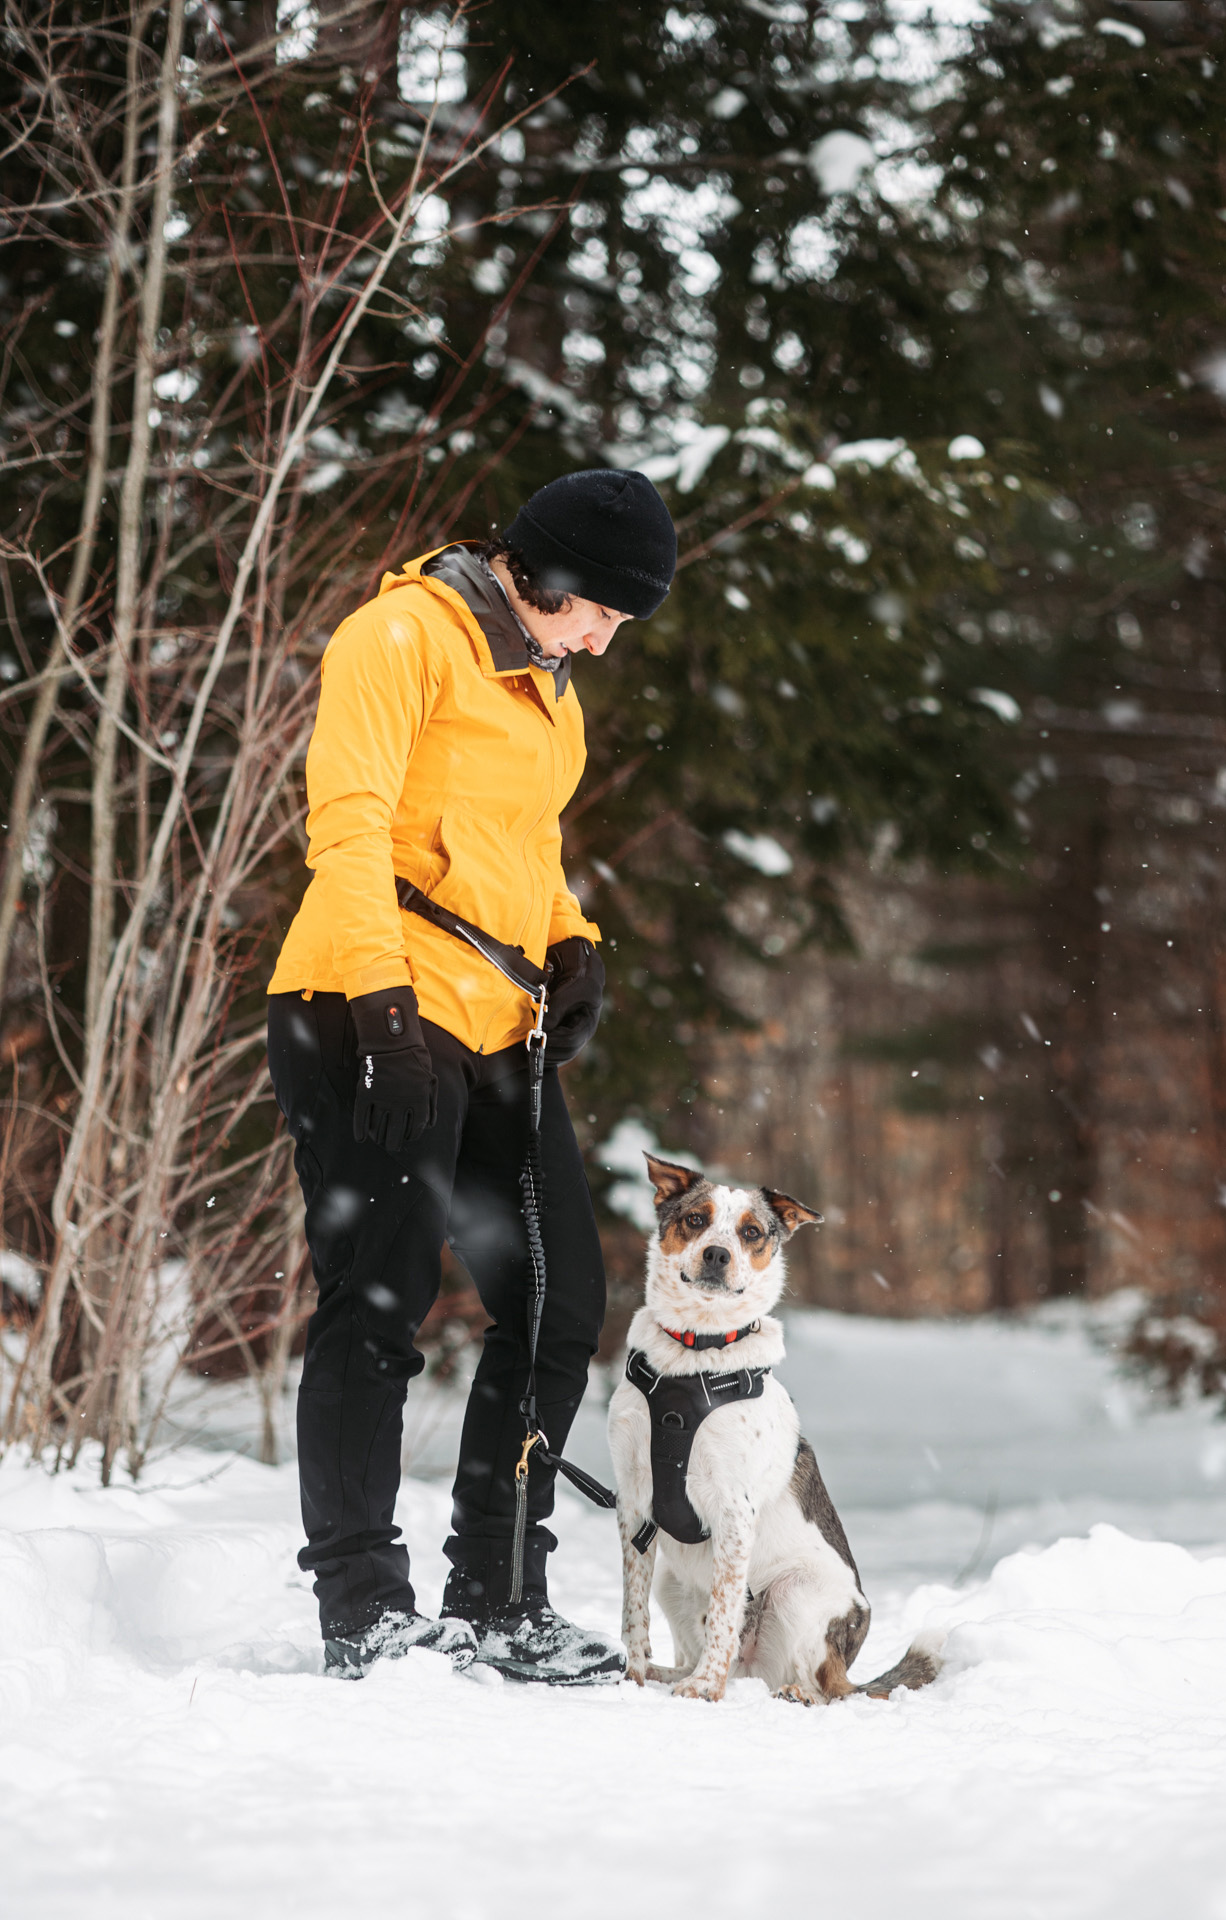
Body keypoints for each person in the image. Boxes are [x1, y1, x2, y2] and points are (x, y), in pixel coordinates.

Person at [265, 468, 677, 1682]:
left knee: (560, 1306)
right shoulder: (399, 637)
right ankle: (364, 1610)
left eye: (620, 623)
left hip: (496, 1018)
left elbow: (524, 844)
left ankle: (499, 1595)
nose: (602, 639)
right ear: (541, 573)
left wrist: (571, 933)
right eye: (599, 609)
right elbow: (345, 824)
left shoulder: (547, 692)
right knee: (378, 1300)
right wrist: (379, 1004)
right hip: (365, 1001)